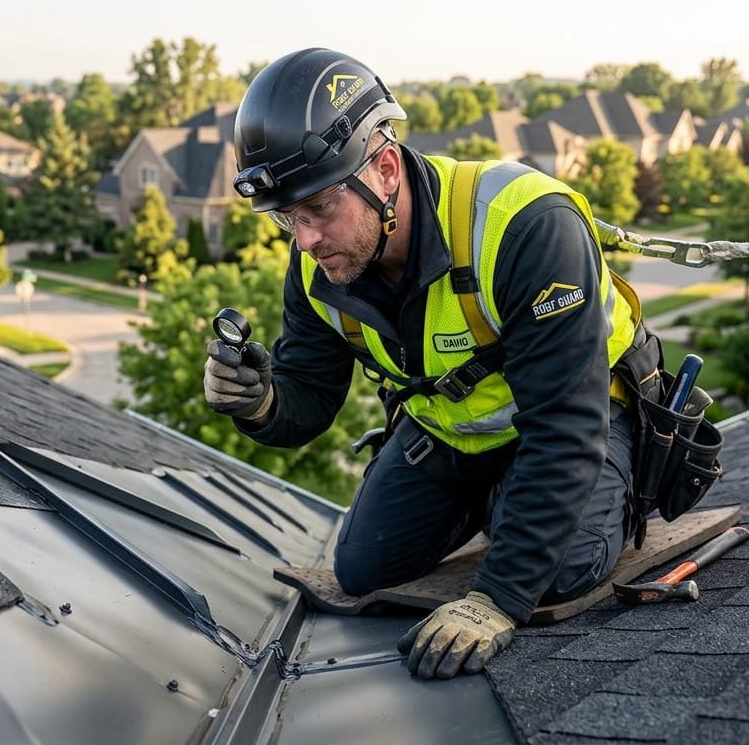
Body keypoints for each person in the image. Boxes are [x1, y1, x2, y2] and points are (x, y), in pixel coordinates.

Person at [203, 48, 650, 680]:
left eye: (319, 209)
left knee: (556, 571)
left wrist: (497, 599)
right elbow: (308, 396)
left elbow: (567, 424)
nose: (304, 240)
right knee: (362, 571)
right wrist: (259, 402)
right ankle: (498, 502)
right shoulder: (319, 266)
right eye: (285, 217)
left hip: (576, 423)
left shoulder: (523, 226)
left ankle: (544, 501)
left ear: (385, 169)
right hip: (451, 434)